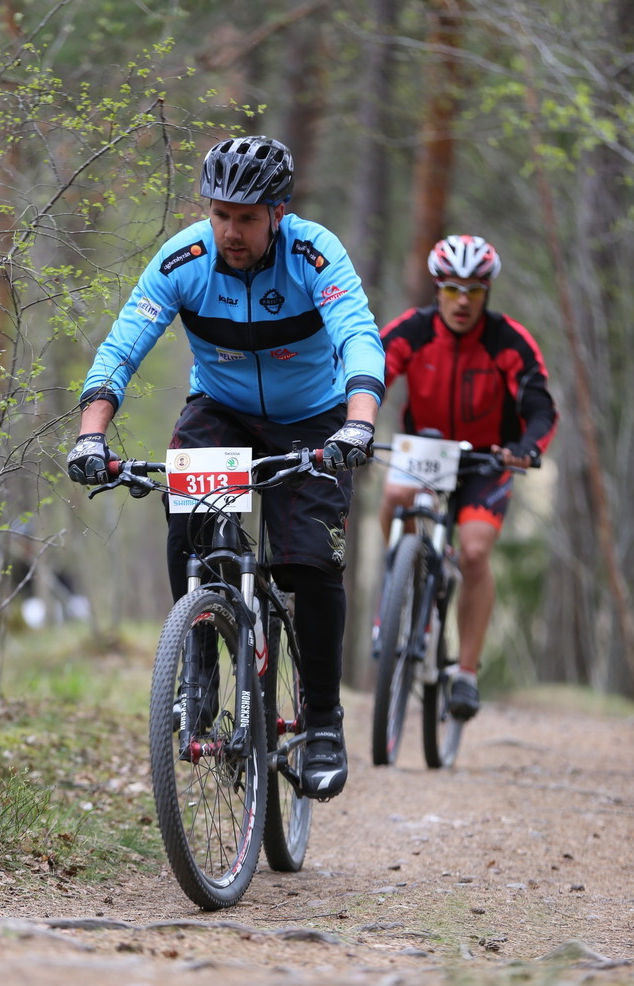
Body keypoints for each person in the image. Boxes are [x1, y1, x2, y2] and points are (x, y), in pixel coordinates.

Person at [67, 136, 385, 800]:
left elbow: (358, 333)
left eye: (245, 218)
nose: (230, 232)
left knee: (310, 564)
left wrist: (358, 422)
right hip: (223, 408)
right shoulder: (183, 260)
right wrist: (91, 438)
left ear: (277, 213)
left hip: (317, 416)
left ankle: (323, 719)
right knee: (187, 518)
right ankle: (199, 669)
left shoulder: (313, 253)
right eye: (219, 215)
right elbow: (122, 346)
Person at [377, 234, 558, 719]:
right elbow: (372, 373)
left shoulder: (508, 340)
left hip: (487, 459)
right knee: (395, 495)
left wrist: (525, 449)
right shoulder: (412, 331)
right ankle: (399, 589)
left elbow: (540, 406)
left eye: (474, 291)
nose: (462, 301)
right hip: (426, 448)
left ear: (487, 293)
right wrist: (355, 422)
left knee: (475, 552)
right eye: (452, 289)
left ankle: (467, 675)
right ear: (437, 288)